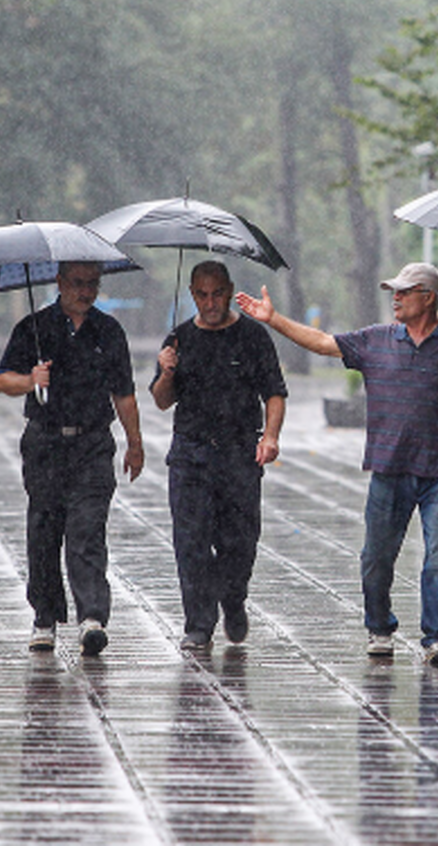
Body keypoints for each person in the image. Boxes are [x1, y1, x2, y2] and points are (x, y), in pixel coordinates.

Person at [236, 262, 438, 666]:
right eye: (394, 291)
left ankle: (437, 638)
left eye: (405, 291)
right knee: (376, 558)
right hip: (389, 469)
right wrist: (273, 319)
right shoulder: (376, 340)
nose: (396, 298)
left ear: (430, 298)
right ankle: (379, 626)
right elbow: (321, 342)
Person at [0, 260, 144, 656]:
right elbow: (1, 379)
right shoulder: (34, 328)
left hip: (92, 444)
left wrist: (135, 442)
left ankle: (92, 617)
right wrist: (31, 380)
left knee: (87, 529)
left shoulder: (108, 332)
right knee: (44, 530)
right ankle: (44, 616)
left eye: (93, 284)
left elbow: (124, 393)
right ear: (59, 283)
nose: (86, 291)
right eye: (78, 283)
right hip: (45, 444)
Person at [150, 260, 287, 652]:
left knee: (239, 540)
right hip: (191, 453)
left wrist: (271, 436)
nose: (211, 302)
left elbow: (274, 392)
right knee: (190, 541)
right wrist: (166, 372)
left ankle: (234, 597)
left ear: (229, 290)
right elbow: (161, 401)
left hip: (239, 452)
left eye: (218, 293)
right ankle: (198, 623)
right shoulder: (177, 339)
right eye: (202, 295)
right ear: (193, 294)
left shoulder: (252, 337)